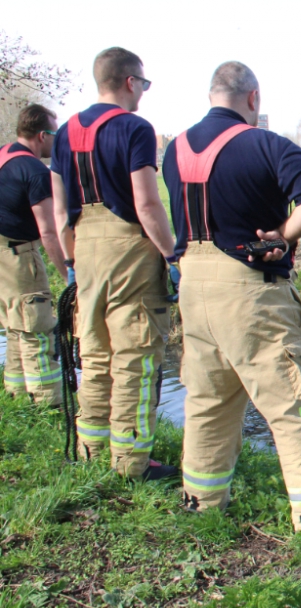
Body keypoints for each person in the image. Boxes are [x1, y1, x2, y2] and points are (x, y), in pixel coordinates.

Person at [161, 61, 301, 536]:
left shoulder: (174, 150)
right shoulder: (265, 143)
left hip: (192, 286)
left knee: (208, 399)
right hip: (249, 287)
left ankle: (202, 499)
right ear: (254, 98)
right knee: (292, 403)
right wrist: (285, 235)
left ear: (212, 95)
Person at [50, 48, 178, 480]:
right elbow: (146, 203)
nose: (143, 91)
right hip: (129, 251)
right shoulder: (136, 129)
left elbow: (59, 209)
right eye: (144, 83)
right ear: (130, 81)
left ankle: (90, 447)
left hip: (85, 244)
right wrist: (171, 254)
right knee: (136, 354)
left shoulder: (64, 132)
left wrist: (70, 260)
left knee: (94, 350)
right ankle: (130, 462)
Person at [0, 104, 68, 405]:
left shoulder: (3, 155)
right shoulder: (36, 171)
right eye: (55, 134)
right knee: (37, 329)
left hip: (2, 251)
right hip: (21, 257)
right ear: (43, 135)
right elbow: (49, 232)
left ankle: (15, 392)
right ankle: (47, 404)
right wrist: (68, 273)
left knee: (15, 326)